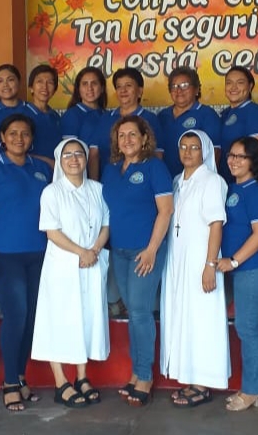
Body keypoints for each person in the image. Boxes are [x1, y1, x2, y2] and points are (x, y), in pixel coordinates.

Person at [0, 114, 51, 411]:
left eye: (25, 134)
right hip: (5, 255)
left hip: (39, 255)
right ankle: (8, 381)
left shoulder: (41, 168)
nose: (19, 138)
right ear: (2, 138)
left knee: (32, 318)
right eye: (13, 134)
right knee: (16, 315)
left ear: (31, 139)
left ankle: (20, 376)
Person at [31, 138, 110, 408]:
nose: (74, 159)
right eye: (67, 155)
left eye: (79, 154)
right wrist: (81, 252)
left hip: (92, 263)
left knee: (85, 320)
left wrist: (94, 250)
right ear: (60, 160)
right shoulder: (52, 192)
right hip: (63, 266)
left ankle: (82, 377)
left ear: (87, 158)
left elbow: (106, 225)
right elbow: (52, 232)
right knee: (60, 321)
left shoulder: (98, 190)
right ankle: (60, 381)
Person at [101, 115, 172, 406]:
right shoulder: (110, 169)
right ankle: (136, 371)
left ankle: (145, 376)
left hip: (146, 251)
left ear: (145, 138)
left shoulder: (155, 167)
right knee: (133, 311)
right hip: (119, 250)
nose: (127, 140)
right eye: (122, 135)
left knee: (141, 312)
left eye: (133, 134)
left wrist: (153, 248)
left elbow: (165, 211)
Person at [160, 130, 229, 407]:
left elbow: (216, 224)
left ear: (206, 152)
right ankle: (189, 376)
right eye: (184, 147)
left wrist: (210, 265)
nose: (188, 152)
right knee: (182, 317)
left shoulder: (212, 181)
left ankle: (202, 382)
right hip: (178, 260)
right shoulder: (177, 181)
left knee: (201, 319)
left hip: (202, 260)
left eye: (195, 148)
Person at [216, 137, 258, 412]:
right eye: (231, 155)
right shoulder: (231, 188)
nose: (234, 161)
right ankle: (256, 389)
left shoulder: (257, 192)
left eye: (241, 157)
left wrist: (235, 261)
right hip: (244, 270)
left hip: (255, 269)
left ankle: (251, 390)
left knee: (246, 328)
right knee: (252, 328)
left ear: (254, 161)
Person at [85, 67, 164, 180]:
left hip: (140, 183)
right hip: (107, 183)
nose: (123, 90)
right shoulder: (105, 118)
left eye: (128, 85)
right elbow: (94, 154)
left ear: (140, 91)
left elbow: (157, 156)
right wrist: (94, 185)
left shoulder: (150, 119)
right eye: (119, 87)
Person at [158, 67, 221, 176]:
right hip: (166, 181)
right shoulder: (162, 116)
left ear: (196, 89)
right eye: (174, 86)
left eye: (184, 85)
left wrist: (200, 181)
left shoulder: (207, 114)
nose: (179, 90)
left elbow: (214, 153)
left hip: (194, 183)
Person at [218, 66, 258, 183]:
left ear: (250, 86)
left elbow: (257, 154)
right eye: (229, 83)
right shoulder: (225, 114)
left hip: (244, 183)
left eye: (240, 82)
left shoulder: (255, 112)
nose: (233, 87)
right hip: (226, 180)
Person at [24, 65, 62, 165]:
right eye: (39, 81)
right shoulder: (21, 114)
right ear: (31, 88)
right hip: (29, 170)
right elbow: (14, 152)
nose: (44, 87)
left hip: (54, 173)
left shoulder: (56, 117)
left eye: (50, 82)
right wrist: (49, 162)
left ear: (54, 90)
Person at [61, 67, 107, 140]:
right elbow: (70, 149)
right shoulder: (71, 115)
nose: (90, 88)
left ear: (102, 88)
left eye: (94, 83)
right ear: (78, 89)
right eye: (85, 84)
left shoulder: (107, 115)